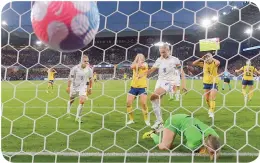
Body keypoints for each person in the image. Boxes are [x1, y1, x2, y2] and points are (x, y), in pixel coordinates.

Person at [145, 43, 187, 131]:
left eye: (163, 52)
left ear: (168, 50)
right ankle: (160, 123)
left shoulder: (175, 60)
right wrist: (142, 74)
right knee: (155, 101)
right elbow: (151, 70)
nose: (162, 54)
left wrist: (184, 84)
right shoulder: (159, 59)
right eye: (160, 52)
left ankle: (159, 122)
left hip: (169, 82)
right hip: (159, 81)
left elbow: (182, 72)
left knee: (153, 96)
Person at [143, 114, 221, 161]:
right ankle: (152, 134)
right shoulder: (194, 141)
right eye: (211, 152)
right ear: (205, 144)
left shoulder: (215, 136)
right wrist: (201, 150)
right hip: (175, 121)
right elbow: (188, 147)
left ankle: (163, 131)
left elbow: (216, 146)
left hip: (187, 119)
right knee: (164, 147)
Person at [66, 55, 93, 123]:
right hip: (74, 86)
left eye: (87, 61)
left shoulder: (89, 70)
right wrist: (68, 86)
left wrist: (90, 88)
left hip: (82, 87)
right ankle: (68, 111)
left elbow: (90, 79)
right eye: (85, 61)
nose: (86, 62)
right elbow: (70, 78)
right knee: (72, 100)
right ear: (81, 61)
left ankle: (77, 117)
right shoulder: (75, 68)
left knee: (82, 101)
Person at [192, 53, 220, 118]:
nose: (207, 59)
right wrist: (201, 58)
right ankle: (210, 108)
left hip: (214, 82)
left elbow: (218, 62)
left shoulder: (214, 63)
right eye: (206, 58)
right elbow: (194, 63)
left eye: (209, 58)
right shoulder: (204, 64)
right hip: (206, 83)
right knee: (207, 99)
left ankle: (211, 111)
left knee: (212, 97)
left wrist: (211, 57)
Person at [126, 53, 150, 126]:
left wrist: (139, 63)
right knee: (128, 103)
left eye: (141, 58)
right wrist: (136, 62)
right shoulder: (134, 64)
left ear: (143, 58)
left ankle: (146, 120)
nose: (140, 59)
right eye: (138, 58)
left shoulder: (145, 64)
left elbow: (141, 66)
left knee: (143, 104)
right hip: (133, 87)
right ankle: (131, 119)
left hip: (142, 87)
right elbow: (131, 66)